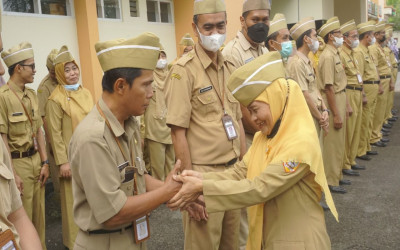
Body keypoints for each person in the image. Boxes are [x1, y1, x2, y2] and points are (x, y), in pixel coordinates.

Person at [168, 51, 338, 250]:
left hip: (299, 242)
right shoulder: (264, 137)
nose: (253, 119)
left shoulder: (300, 143)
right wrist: (201, 178)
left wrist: (202, 188)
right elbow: (240, 172)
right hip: (269, 239)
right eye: (249, 112)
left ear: (275, 98)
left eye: (255, 109)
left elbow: (259, 188)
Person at [69, 32, 181, 250]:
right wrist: (166, 192)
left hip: (132, 237)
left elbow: (137, 177)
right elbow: (112, 213)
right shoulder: (93, 137)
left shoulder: (128, 123)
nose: (151, 92)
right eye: (146, 85)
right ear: (120, 86)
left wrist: (180, 192)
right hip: (105, 242)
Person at [164, 0, 245, 249]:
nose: (215, 34)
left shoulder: (230, 66)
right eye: (207, 27)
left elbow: (238, 120)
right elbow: (178, 134)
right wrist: (191, 189)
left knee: (235, 244)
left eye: (220, 26)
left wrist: (245, 168)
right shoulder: (183, 71)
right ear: (195, 27)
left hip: (233, 174)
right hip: (203, 176)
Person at [221, 1, 269, 248]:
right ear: (242, 21)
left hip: (264, 133)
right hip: (247, 136)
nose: (261, 25)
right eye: (255, 20)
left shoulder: (263, 50)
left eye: (265, 19)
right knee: (246, 209)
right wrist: (264, 127)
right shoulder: (232, 53)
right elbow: (237, 105)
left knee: (262, 202)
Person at [0, 42, 49, 249]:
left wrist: (45, 162)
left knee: (40, 217)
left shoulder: (32, 95)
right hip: (17, 164)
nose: (35, 70)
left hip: (36, 160)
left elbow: (38, 130)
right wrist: (13, 174)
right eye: (32, 65)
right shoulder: (3, 97)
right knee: (22, 217)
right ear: (18, 68)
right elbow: (3, 139)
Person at [46, 45, 93, 249]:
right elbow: (54, 134)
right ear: (59, 73)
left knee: (91, 197)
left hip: (90, 154)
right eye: (67, 70)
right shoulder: (54, 99)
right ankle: (73, 243)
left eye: (74, 68)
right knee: (72, 202)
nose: (73, 73)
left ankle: (92, 236)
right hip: (70, 159)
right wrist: (63, 162)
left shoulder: (86, 92)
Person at [317, 17, 349, 194]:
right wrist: (335, 114)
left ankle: (336, 175)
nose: (341, 37)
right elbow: (328, 88)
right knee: (332, 143)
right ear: (330, 36)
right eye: (339, 34)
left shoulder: (335, 53)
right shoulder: (328, 56)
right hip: (334, 99)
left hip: (341, 97)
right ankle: (330, 180)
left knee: (338, 142)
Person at [287, 17, 329, 147]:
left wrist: (324, 108)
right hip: (308, 116)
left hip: (316, 114)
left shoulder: (307, 60)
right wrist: (320, 118)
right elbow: (304, 94)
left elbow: (314, 88)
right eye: (315, 36)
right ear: (306, 39)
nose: (317, 39)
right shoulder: (297, 63)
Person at [338, 20, 366, 177]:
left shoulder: (354, 54)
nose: (356, 39)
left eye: (357, 36)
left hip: (358, 91)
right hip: (349, 93)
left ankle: (352, 159)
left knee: (355, 128)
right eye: (354, 36)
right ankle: (345, 163)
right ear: (345, 37)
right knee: (348, 131)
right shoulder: (341, 54)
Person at [143, 47, 175, 181]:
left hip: (171, 125)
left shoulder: (172, 76)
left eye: (163, 56)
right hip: (155, 128)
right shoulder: (148, 78)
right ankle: (160, 196)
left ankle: (173, 196)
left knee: (172, 164)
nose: (161, 60)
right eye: (158, 57)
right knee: (157, 167)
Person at [354, 21, 380, 161]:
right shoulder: (359, 51)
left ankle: (367, 145)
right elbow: (360, 75)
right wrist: (363, 93)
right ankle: (361, 150)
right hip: (367, 87)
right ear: (366, 37)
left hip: (373, 87)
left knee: (369, 118)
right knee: (364, 120)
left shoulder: (367, 50)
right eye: (371, 35)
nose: (373, 38)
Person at [37, 48, 60, 202]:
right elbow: (43, 117)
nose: (55, 74)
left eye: (56, 70)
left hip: (66, 134)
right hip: (53, 135)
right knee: (59, 175)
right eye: (52, 72)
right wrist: (50, 140)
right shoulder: (44, 87)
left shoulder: (65, 81)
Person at [369, 21, 392, 147]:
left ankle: (377, 132)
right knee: (377, 110)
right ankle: (375, 135)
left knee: (381, 108)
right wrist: (379, 84)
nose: (385, 35)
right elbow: (376, 67)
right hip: (380, 79)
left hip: (385, 78)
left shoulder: (379, 47)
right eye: (382, 33)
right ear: (376, 35)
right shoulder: (374, 48)